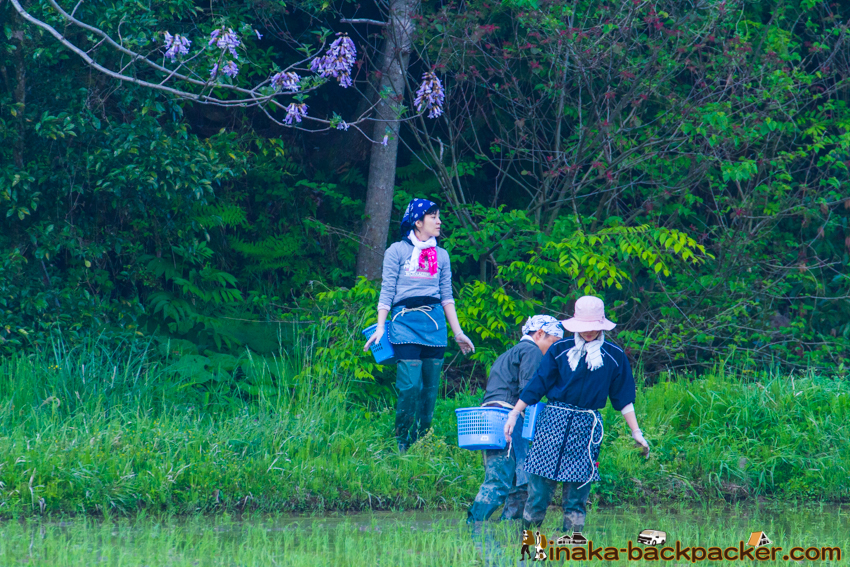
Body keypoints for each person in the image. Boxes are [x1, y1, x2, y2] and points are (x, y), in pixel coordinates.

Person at [504, 295, 649, 543]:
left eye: (594, 326)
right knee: (538, 491)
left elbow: (624, 399)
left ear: (602, 324)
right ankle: (527, 544)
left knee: (576, 496)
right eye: (585, 326)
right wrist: (515, 412)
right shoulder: (559, 350)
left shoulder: (614, 356)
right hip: (553, 423)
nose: (590, 331)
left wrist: (637, 433)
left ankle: (570, 546)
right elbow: (537, 385)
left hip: (586, 427)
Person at [363, 198, 475, 452]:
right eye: (433, 217)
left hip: (434, 325)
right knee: (410, 385)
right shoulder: (396, 251)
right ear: (418, 222)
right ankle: (402, 440)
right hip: (404, 323)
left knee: (430, 389)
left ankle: (422, 439)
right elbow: (387, 291)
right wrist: (381, 327)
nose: (439, 221)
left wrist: (458, 332)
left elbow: (447, 296)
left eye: (439, 216)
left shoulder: (442, 255)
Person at [467, 315, 563, 529]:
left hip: (492, 417)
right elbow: (528, 390)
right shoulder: (532, 351)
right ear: (539, 334)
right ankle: (474, 524)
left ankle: (507, 527)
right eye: (553, 342)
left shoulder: (509, 353)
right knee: (502, 480)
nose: (553, 349)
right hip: (507, 417)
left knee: (516, 479)